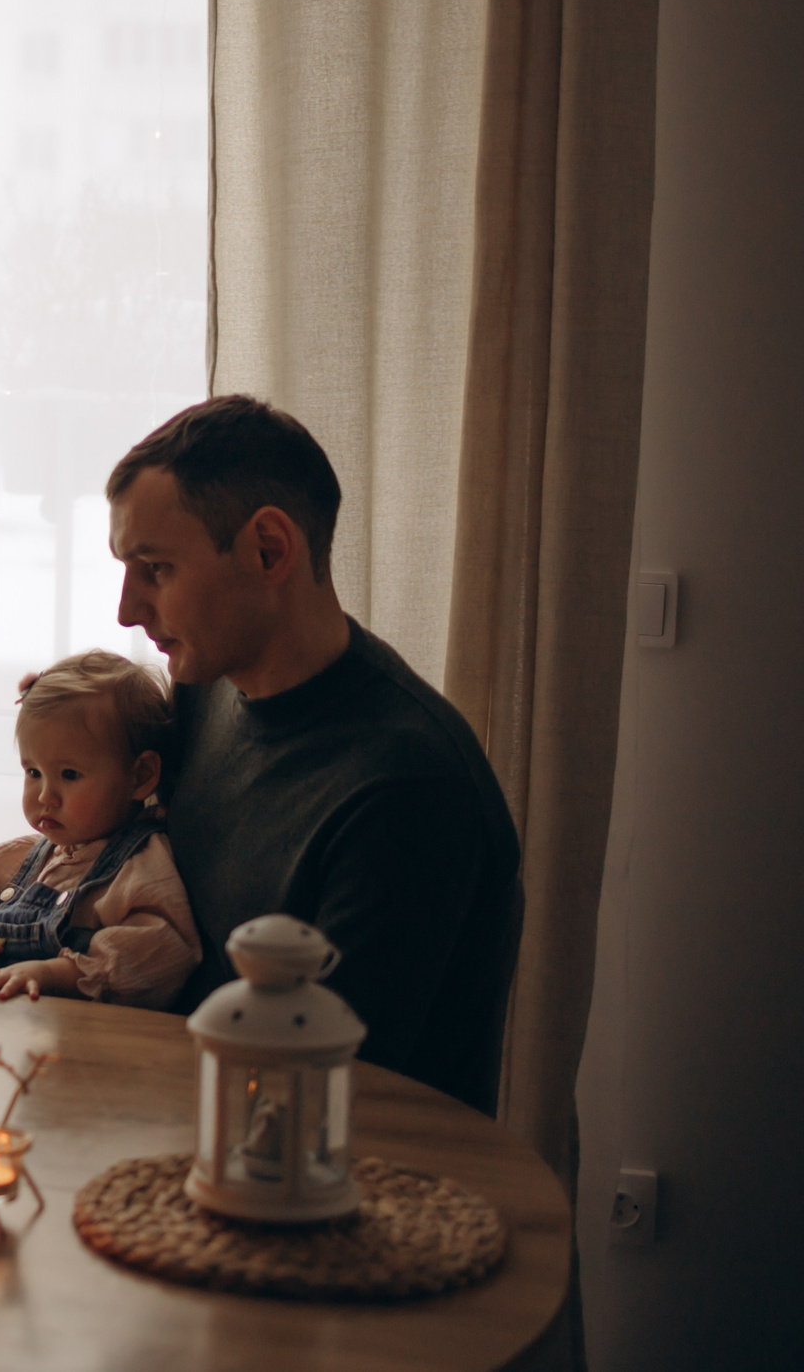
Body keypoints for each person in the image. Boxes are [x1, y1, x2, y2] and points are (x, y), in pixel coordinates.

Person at [105, 395, 521, 1114]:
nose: (128, 610)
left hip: (340, 1183)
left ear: (269, 550)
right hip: (186, 1119)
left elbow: (317, 1093)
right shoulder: (209, 693)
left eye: (157, 569)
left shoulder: (410, 789)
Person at [0, 650, 202, 1007]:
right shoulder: (15, 862)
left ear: (140, 777)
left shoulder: (139, 867)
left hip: (74, 1047)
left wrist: (54, 975)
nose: (45, 795)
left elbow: (160, 954)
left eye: (69, 775)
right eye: (33, 772)